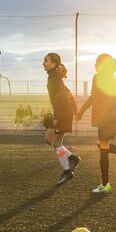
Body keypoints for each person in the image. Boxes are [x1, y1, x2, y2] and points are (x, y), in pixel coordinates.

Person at [77, 53, 116, 193]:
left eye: (97, 62)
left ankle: (106, 185)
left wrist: (81, 111)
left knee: (103, 147)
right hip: (113, 118)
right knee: (101, 145)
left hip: (105, 118)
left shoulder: (98, 77)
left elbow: (94, 96)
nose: (95, 65)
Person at [43, 52, 81, 185]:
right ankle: (72, 158)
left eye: (46, 61)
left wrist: (57, 116)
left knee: (57, 143)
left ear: (54, 64)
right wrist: (75, 109)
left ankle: (67, 172)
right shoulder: (54, 77)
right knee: (49, 139)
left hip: (63, 113)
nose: (44, 63)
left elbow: (60, 97)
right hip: (63, 112)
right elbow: (67, 93)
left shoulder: (54, 78)